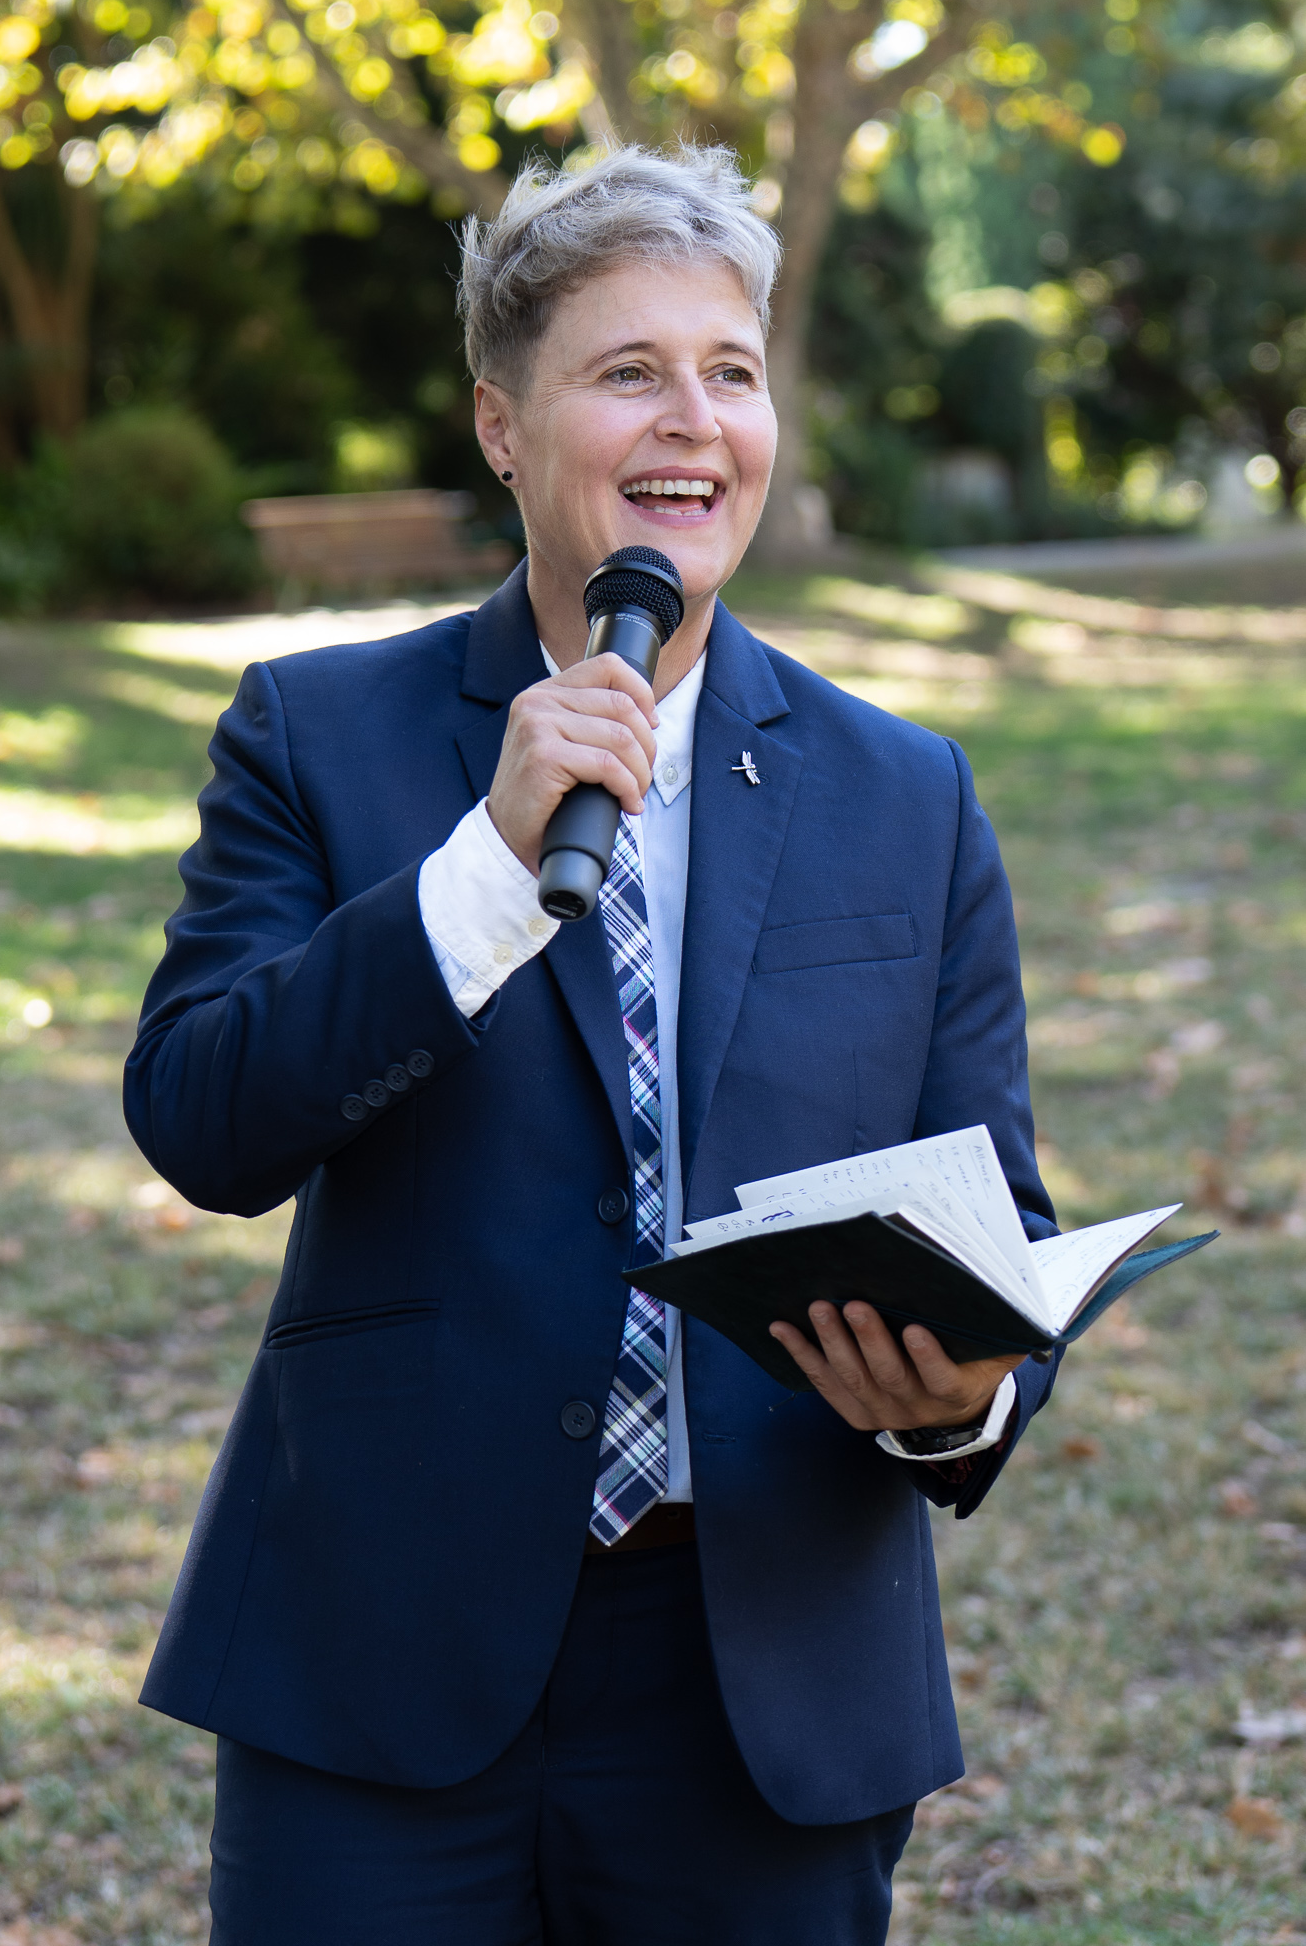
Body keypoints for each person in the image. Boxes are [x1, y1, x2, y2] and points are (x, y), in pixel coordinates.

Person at [124, 143, 1060, 1945]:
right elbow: (201, 1118)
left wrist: (964, 1403)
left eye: (729, 371)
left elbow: (994, 1219)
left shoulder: (908, 795)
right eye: (628, 371)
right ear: (500, 425)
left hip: (766, 1680)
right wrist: (482, 868)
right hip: (381, 1657)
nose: (690, 421)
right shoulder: (315, 734)